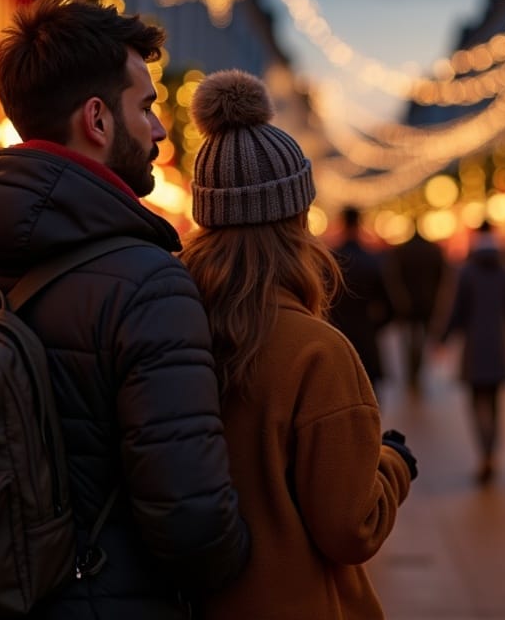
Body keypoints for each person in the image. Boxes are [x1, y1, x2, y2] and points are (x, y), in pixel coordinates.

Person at [0, 0, 250, 619]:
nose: (158, 129)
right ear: (96, 119)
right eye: (144, 107)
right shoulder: (150, 283)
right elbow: (191, 519)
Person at [179, 69, 417, 620]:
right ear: (296, 219)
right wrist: (393, 464)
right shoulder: (316, 351)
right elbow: (349, 527)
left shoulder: (168, 324)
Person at [439, 220, 505, 485]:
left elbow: (456, 310)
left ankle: (484, 453)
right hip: (501, 347)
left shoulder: (466, 271)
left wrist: (442, 338)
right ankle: (493, 453)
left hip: (474, 348)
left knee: (477, 401)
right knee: (495, 402)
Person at [329, 206, 396, 398]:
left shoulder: (331, 261)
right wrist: (375, 326)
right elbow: (390, 306)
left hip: (337, 337)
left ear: (342, 223)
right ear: (359, 223)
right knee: (370, 395)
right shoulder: (372, 261)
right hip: (366, 337)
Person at [385, 224, 447, 394]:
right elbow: (442, 277)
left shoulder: (401, 251)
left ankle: (411, 372)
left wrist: (398, 301)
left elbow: (392, 277)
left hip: (406, 304)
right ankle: (417, 370)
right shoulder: (433, 250)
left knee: (409, 340)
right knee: (423, 340)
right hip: (428, 303)